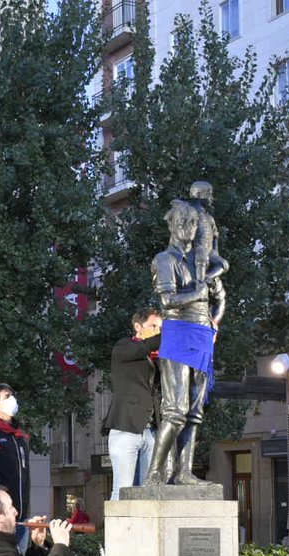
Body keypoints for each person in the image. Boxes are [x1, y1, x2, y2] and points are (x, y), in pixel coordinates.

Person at [144, 190, 228, 486]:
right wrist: (199, 292)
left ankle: (183, 471)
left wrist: (214, 321)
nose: (189, 229)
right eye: (184, 223)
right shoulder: (164, 260)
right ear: (173, 225)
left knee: (194, 413)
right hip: (178, 333)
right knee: (175, 410)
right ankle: (155, 473)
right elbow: (167, 301)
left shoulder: (201, 262)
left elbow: (220, 296)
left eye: (193, 223)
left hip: (202, 335)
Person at [103, 309, 162, 500]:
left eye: (161, 328)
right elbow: (145, 347)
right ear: (138, 326)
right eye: (153, 326)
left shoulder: (158, 357)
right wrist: (173, 332)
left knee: (149, 492)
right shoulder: (124, 348)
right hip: (125, 428)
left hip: (151, 431)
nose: (158, 331)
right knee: (122, 489)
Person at [0, 383, 31, 553]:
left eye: (12, 395)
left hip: (21, 516)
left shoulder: (17, 435)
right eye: (7, 396)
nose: (12, 400)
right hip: (1, 517)